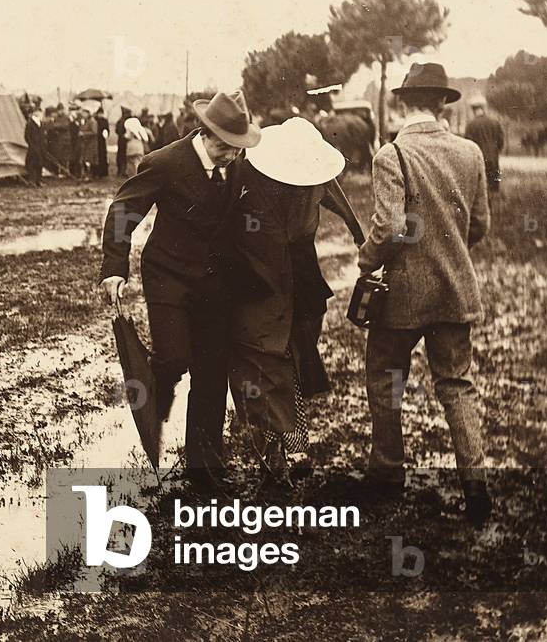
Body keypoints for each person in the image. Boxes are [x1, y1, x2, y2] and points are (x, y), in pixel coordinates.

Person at [99, 90, 266, 489]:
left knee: (212, 372)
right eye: (226, 148)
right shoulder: (166, 163)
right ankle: (156, 379)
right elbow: (123, 211)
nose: (232, 155)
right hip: (168, 275)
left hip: (215, 283)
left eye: (238, 148)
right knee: (174, 357)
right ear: (207, 136)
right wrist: (114, 267)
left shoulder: (237, 165)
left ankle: (204, 469)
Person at [358, 63, 492, 525]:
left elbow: (389, 228)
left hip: (402, 296)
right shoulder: (470, 152)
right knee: (456, 385)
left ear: (403, 102)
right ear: (442, 103)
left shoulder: (392, 155)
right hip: (455, 291)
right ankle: (476, 484)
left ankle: (387, 472)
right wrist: (449, 252)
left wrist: (366, 259)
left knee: (385, 377)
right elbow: (480, 225)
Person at [228, 117, 364, 478]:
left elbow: (339, 200)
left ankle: (287, 438)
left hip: (301, 270)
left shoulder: (317, 174)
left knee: (298, 349)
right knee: (270, 353)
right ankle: (281, 441)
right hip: (261, 271)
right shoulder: (252, 171)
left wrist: (359, 235)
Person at [464, 95, 505, 193]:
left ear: (473, 109)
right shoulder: (495, 122)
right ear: (483, 108)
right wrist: (495, 151)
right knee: (493, 188)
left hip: (479, 160)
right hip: (493, 159)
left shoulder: (471, 125)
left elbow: (468, 145)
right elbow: (501, 141)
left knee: (480, 189)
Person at [24, 108, 46, 187]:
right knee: (32, 164)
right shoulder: (30, 124)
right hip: (33, 148)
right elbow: (27, 136)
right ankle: (32, 181)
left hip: (41, 147)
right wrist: (32, 145)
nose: (41, 114)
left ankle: (38, 180)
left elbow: (42, 136)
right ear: (36, 113)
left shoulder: (41, 123)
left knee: (40, 164)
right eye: (40, 113)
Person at [76, 108, 98, 180]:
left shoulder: (93, 121)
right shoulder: (85, 121)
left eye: (84, 113)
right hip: (85, 143)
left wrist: (84, 133)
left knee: (89, 160)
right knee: (84, 160)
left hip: (91, 144)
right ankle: (85, 175)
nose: (83, 115)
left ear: (88, 113)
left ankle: (90, 176)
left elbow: (94, 132)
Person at [115, 106, 131, 176]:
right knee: (124, 156)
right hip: (125, 141)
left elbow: (116, 131)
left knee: (120, 155)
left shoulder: (119, 121)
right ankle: (123, 171)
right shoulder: (127, 121)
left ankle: (120, 171)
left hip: (120, 140)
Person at [94, 107, 110, 178]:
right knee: (97, 156)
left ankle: (103, 172)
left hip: (102, 140)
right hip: (96, 140)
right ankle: (97, 172)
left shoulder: (105, 121)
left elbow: (107, 130)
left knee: (103, 155)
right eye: (99, 113)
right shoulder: (95, 120)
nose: (100, 115)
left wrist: (106, 133)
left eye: (101, 113)